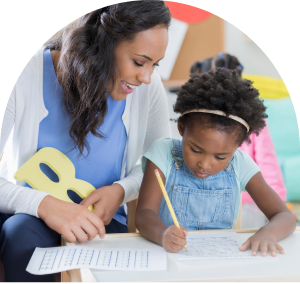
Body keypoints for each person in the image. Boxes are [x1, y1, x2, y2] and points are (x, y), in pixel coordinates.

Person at [0, 1, 171, 282]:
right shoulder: (27, 75)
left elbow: (158, 165)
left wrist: (121, 190)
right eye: (139, 62)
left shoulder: (147, 91)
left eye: (155, 64)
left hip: (101, 224)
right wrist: (44, 204)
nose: (147, 77)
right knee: (20, 236)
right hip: (31, 216)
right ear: (102, 46)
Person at [136, 68, 296, 255]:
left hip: (221, 261)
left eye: (220, 157)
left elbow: (285, 216)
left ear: (238, 147)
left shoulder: (241, 164)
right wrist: (163, 233)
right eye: (196, 150)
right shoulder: (163, 153)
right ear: (181, 128)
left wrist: (268, 232)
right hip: (167, 256)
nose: (204, 164)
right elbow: (144, 214)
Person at [191, 53, 287, 228]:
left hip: (248, 204)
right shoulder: (195, 123)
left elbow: (269, 166)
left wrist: (276, 209)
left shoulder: (252, 122)